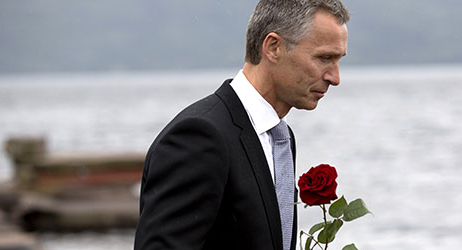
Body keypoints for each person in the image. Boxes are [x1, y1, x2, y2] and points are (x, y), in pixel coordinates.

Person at [133, 0, 349, 249]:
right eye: (324, 58)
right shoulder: (199, 137)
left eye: (338, 60)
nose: (335, 77)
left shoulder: (282, 137)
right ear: (273, 47)